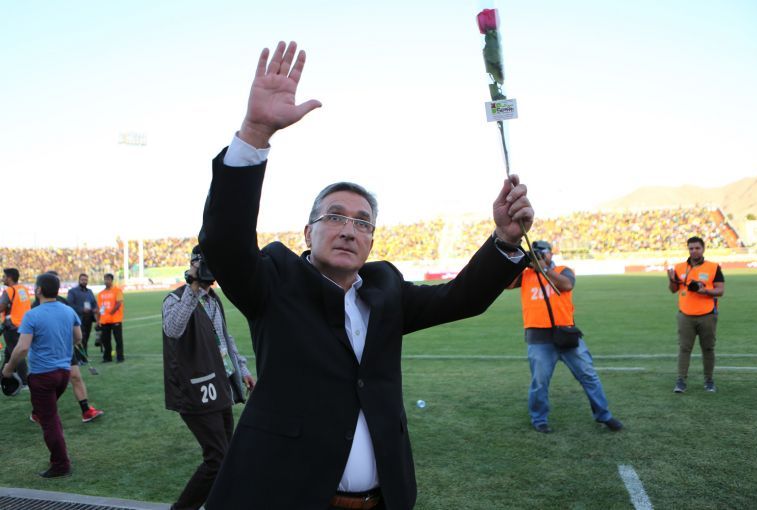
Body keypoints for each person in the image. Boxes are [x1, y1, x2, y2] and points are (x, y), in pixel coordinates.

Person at [198, 41, 534, 510]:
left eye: (362, 222)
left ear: (371, 241)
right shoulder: (275, 282)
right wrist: (255, 134)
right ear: (308, 232)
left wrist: (504, 239)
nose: (348, 230)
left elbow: (462, 298)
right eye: (334, 216)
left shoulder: (385, 291)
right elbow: (224, 243)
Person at [162, 245, 256, 510]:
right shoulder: (174, 299)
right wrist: (193, 286)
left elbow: (224, 339)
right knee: (217, 459)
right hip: (195, 390)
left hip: (219, 385)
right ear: (194, 264)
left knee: (227, 457)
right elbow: (173, 329)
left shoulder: (214, 299)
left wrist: (242, 370)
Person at [508, 240, 622, 434]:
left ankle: (604, 415)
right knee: (539, 382)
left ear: (550, 254)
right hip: (538, 337)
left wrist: (544, 268)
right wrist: (520, 262)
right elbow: (507, 284)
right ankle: (539, 419)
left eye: (541, 252)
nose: (538, 256)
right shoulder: (526, 275)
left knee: (589, 376)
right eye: (535, 253)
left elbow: (566, 285)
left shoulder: (563, 270)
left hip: (567, 334)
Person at [1, 272, 81, 478]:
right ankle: (60, 455)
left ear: (38, 290)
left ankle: (61, 464)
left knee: (49, 420)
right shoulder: (68, 310)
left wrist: (8, 368)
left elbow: (22, 348)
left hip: (43, 376)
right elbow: (78, 337)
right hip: (63, 373)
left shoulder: (32, 314)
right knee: (50, 415)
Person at [31, 272, 104, 424]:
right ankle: (38, 411)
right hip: (48, 351)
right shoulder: (36, 305)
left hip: (66, 348)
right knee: (53, 384)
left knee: (76, 377)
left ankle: (86, 411)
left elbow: (70, 322)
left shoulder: (63, 302)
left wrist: (73, 338)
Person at [667, 236, 725, 393]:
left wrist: (704, 291)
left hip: (707, 315)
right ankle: (681, 381)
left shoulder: (713, 267)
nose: (694, 251)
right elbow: (673, 290)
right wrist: (671, 280)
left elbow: (720, 290)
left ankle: (709, 381)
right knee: (684, 349)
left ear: (703, 249)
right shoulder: (679, 267)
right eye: (691, 248)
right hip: (685, 315)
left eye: (697, 248)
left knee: (708, 349)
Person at [2, 268, 32, 388]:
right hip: (23, 325)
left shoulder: (9, 290)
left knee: (17, 354)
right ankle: (2, 377)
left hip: (11, 327)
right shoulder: (23, 289)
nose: (2, 279)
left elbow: (1, 306)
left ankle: (25, 382)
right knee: (9, 354)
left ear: (9, 278)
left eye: (4, 277)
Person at [66, 273, 99, 354]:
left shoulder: (89, 291)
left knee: (86, 338)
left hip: (89, 318)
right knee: (79, 339)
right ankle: (79, 357)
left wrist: (95, 308)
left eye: (86, 280)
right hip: (78, 319)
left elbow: (94, 303)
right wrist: (82, 309)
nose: (84, 281)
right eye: (82, 280)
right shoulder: (72, 291)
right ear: (79, 280)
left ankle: (84, 356)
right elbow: (70, 304)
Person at [97, 273, 124, 362]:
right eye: (105, 279)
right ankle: (107, 357)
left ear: (112, 280)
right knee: (105, 340)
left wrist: (112, 311)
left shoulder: (117, 291)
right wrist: (98, 319)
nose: (106, 281)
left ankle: (120, 357)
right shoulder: (101, 294)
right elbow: (100, 308)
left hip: (116, 319)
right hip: (105, 320)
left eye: (108, 279)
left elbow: (119, 303)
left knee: (118, 339)